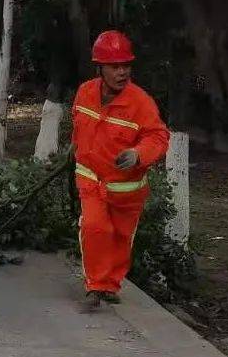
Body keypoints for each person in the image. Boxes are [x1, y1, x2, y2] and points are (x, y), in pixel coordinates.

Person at [72, 30, 169, 309]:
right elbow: (79, 126)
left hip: (127, 188)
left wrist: (138, 154)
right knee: (94, 226)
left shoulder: (141, 102)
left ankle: (111, 284)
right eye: (115, 66)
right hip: (92, 179)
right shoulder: (85, 92)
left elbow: (158, 137)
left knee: (121, 238)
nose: (122, 72)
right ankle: (96, 286)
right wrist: (75, 152)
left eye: (126, 65)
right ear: (100, 67)